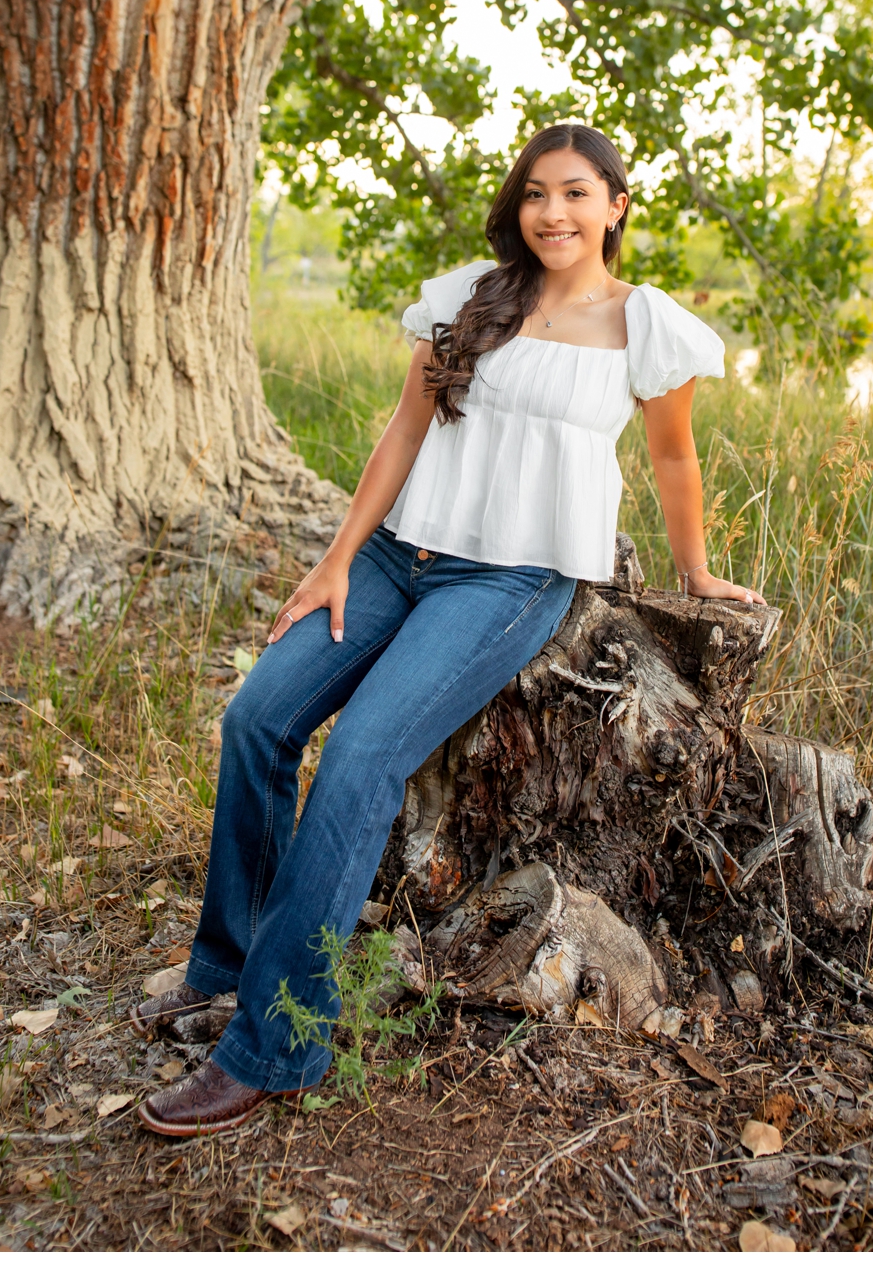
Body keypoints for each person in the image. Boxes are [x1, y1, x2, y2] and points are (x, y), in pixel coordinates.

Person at [134, 123, 760, 1137]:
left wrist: (695, 571)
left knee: (362, 762)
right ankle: (230, 964)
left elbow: (675, 460)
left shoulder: (648, 328)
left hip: (508, 579)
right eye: (535, 195)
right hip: (397, 557)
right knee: (258, 718)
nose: (552, 213)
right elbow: (405, 429)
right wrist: (339, 554)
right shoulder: (476, 292)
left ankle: (274, 1046)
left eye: (575, 193)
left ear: (616, 205)